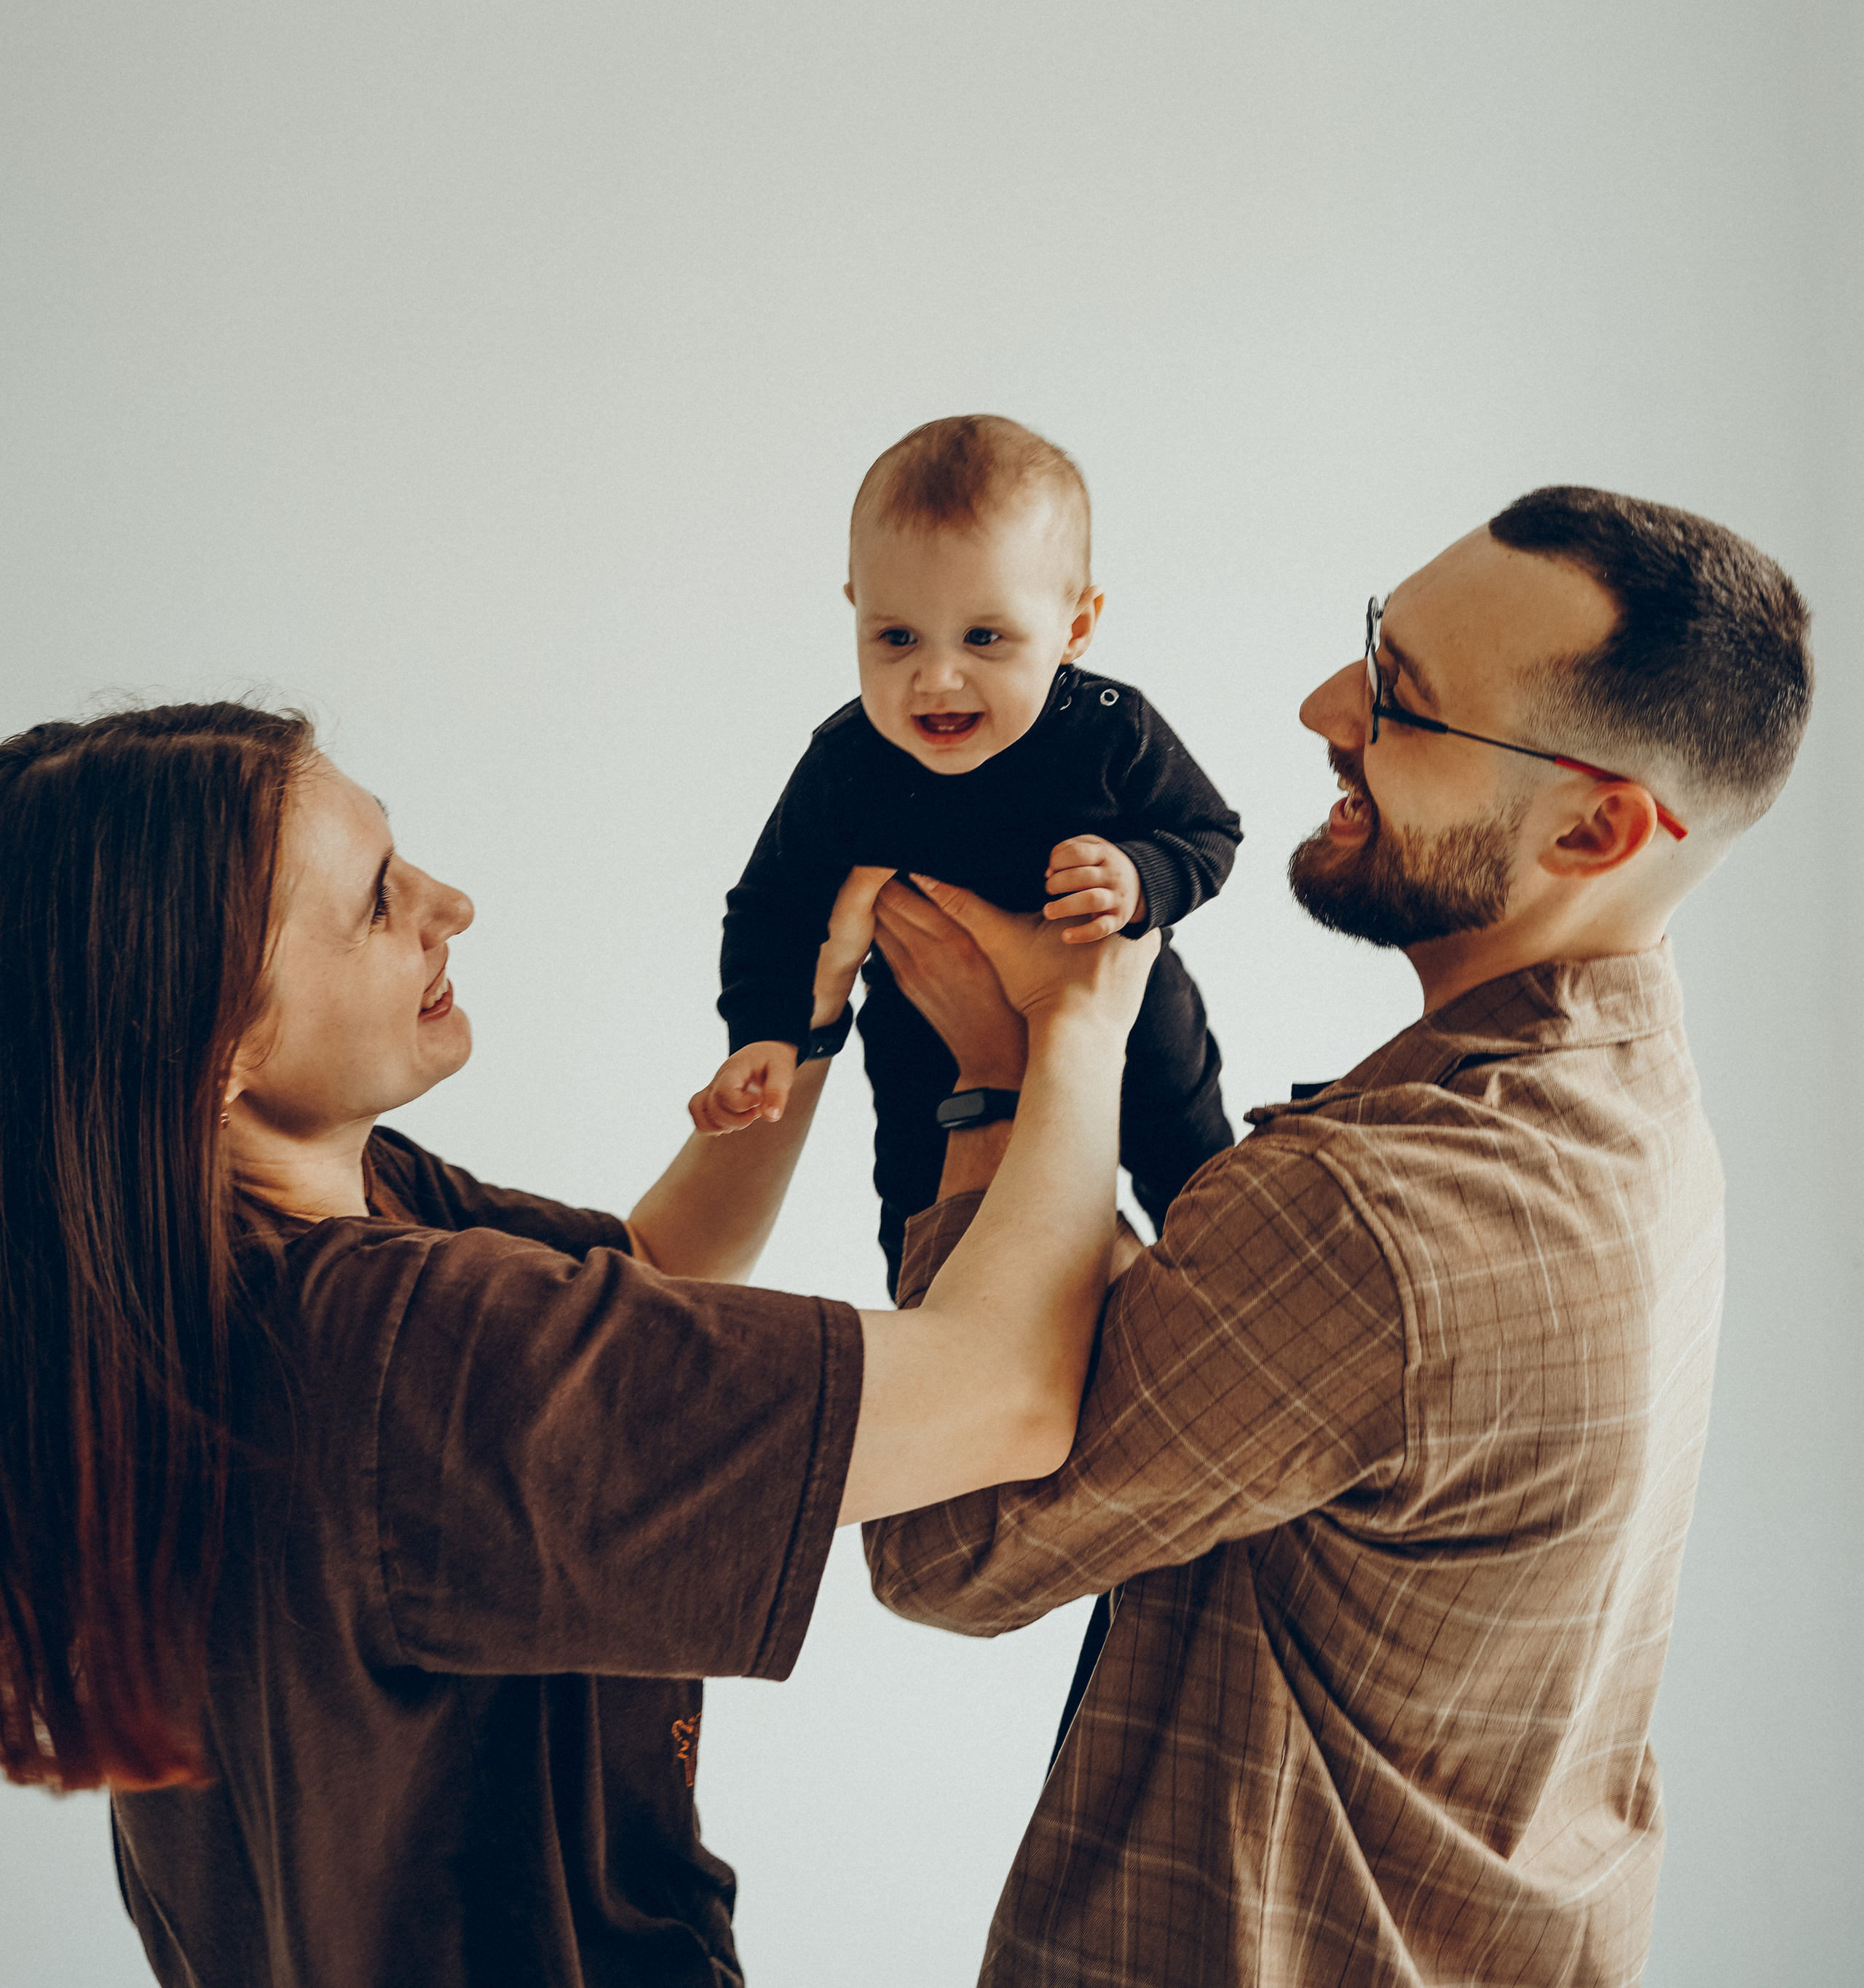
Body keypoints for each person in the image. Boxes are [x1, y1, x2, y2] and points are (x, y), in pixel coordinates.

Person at [0, 702, 1158, 1988]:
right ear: (217, 1047)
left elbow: (652, 1271)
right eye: (378, 904)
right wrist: (1068, 1034)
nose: (451, 904)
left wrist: (808, 1016)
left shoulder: (222, 1252)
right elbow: (1005, 1395)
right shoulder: (397, 1353)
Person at [866, 487, 1814, 1988]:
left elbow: (950, 1541)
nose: (1323, 707)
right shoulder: (1636, 1101)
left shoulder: (1379, 1218)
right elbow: (1259, 1385)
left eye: (1400, 699)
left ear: (1594, 826)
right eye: (1372, 643)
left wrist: (1008, 1071)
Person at [693, 413, 1240, 1288]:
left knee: (1199, 1185)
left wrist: (1141, 879)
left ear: (1075, 626)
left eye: (984, 638)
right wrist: (764, 1035)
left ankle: (1218, 1295)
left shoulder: (1110, 732)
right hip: (925, 1038)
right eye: (897, 638)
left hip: (1131, 1022)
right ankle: (935, 1333)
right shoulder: (847, 765)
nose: (937, 678)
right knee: (922, 1222)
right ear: (856, 613)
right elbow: (772, 908)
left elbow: (1208, 833)